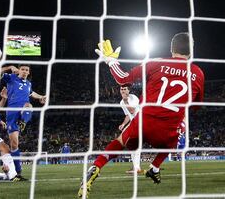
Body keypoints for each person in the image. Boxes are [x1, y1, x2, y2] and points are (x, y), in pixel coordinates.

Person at [78, 32, 204, 197]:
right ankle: (155, 167)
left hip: (144, 121)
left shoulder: (157, 62)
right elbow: (195, 107)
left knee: (120, 141)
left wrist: (110, 61)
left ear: (171, 49)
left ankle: (96, 166)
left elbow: (124, 78)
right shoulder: (199, 73)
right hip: (167, 131)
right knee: (181, 127)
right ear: (191, 50)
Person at [0, 64, 46, 179]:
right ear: (19, 71)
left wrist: (41, 97)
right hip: (11, 113)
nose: (24, 71)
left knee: (28, 105)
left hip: (23, 109)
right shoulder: (11, 78)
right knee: (14, 144)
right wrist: (10, 67)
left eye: (26, 70)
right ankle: (17, 171)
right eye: (22, 69)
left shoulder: (28, 84)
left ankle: (23, 122)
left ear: (28, 72)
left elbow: (32, 93)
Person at [118, 85, 142, 174]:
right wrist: (123, 124)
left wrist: (125, 101)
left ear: (129, 90)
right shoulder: (121, 102)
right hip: (133, 123)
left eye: (125, 89)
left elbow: (132, 110)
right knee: (130, 144)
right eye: (121, 89)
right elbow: (128, 115)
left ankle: (137, 167)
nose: (123, 90)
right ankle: (136, 167)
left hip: (141, 121)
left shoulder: (133, 97)